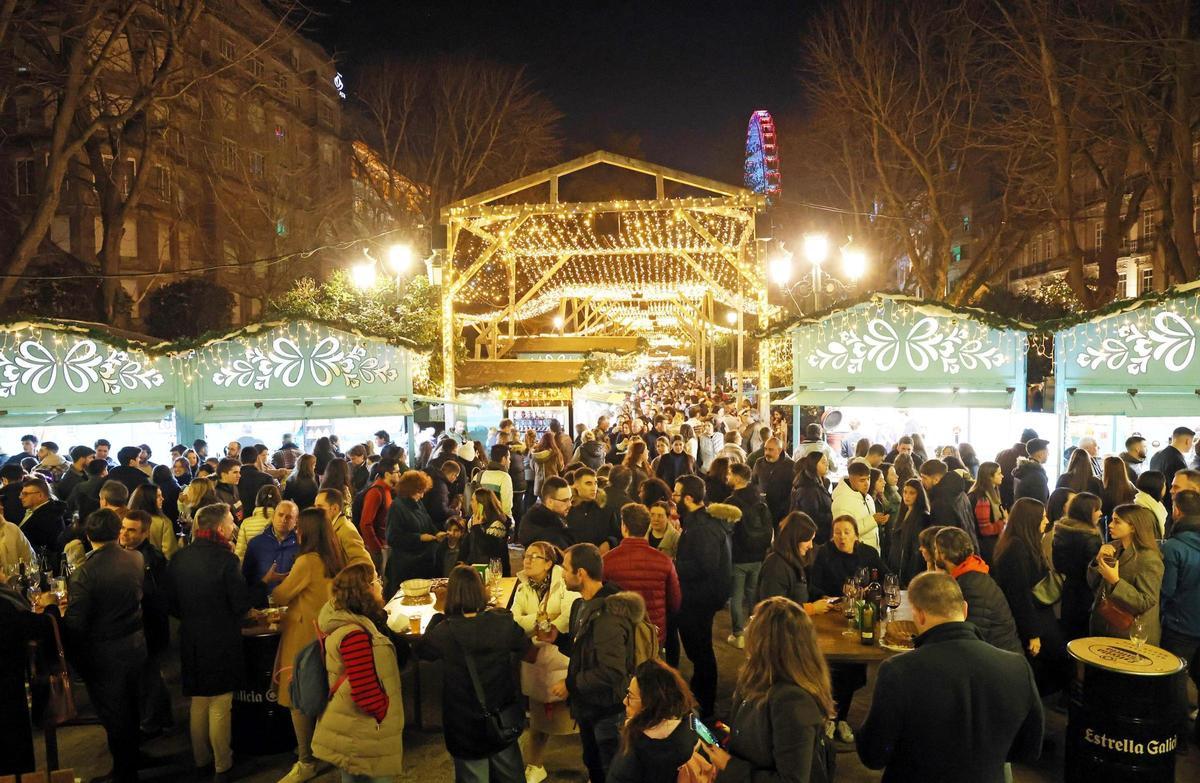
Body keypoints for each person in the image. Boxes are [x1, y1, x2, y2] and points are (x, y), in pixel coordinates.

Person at [855, 571, 1043, 781]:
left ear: (919, 615)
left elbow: (874, 755)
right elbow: (1029, 750)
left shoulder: (898, 670)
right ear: (964, 609)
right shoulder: (1017, 666)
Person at [417, 565, 530, 780]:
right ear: (481, 591)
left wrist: (439, 614)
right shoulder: (501, 622)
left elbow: (423, 652)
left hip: (464, 725)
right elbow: (523, 644)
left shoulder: (445, 632)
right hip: (501, 718)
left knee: (472, 776)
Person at [705, 597, 835, 783]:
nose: (748, 628)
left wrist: (729, 766)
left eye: (753, 621)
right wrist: (734, 733)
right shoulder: (757, 677)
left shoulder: (793, 702)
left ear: (768, 642)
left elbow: (793, 780)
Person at [166, 502, 250, 783]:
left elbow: (172, 603)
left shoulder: (180, 558)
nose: (233, 527)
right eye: (230, 522)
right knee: (220, 703)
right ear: (219, 527)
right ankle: (223, 764)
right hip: (221, 636)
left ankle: (200, 759)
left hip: (190, 635)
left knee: (199, 701)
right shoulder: (227, 560)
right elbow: (239, 604)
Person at [61, 509, 147, 783]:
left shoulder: (85, 573)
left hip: (104, 653)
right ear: (117, 530)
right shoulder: (135, 557)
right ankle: (133, 759)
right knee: (131, 708)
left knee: (114, 715)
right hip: (135, 644)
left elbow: (76, 624)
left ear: (88, 535)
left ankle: (124, 772)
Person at [544, 544, 640, 783]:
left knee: (610, 769)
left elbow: (612, 670)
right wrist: (559, 639)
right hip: (588, 705)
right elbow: (583, 649)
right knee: (592, 761)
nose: (562, 574)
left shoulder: (609, 614)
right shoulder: (580, 605)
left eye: (566, 569)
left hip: (607, 710)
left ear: (581, 573)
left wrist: (571, 684)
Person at [311, 563, 406, 783]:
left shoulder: (356, 622)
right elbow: (364, 690)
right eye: (376, 581)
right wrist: (383, 712)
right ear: (364, 590)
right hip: (362, 730)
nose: (380, 585)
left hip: (352, 726)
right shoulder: (354, 634)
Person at [274, 507, 346, 783]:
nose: (295, 530)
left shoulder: (307, 561)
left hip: (303, 637)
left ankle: (306, 759)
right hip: (326, 635)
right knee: (322, 695)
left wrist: (272, 583)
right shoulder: (333, 557)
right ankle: (322, 749)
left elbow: (282, 595)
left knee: (299, 698)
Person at [511, 541, 579, 783]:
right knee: (539, 718)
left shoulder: (565, 584)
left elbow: (568, 619)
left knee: (573, 717)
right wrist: (543, 619)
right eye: (526, 556)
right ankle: (535, 764)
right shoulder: (522, 586)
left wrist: (545, 629)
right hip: (536, 663)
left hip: (562, 659)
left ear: (549, 563)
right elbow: (515, 621)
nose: (526, 560)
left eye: (534, 557)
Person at [671, 474, 731, 720]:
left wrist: (673, 565)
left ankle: (706, 703)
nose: (672, 499)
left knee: (701, 651)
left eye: (676, 494)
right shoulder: (699, 522)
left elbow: (705, 566)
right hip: (700, 597)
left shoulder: (702, 528)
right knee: (699, 650)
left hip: (700, 600)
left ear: (688, 498)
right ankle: (700, 693)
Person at [993, 498, 1066, 695]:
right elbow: (1019, 595)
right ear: (1029, 521)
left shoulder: (1021, 542)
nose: (1046, 521)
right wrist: (1032, 634)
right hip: (1032, 618)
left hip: (1038, 614)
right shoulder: (1017, 549)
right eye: (1042, 517)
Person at [606, 659, 699, 783]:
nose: (624, 701)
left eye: (630, 696)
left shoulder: (635, 750)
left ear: (649, 704)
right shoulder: (690, 718)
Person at [933, 527, 1022, 654]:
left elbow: (972, 636)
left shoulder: (971, 585)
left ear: (943, 554)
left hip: (1000, 660)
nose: (934, 553)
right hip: (997, 654)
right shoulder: (969, 574)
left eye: (936, 549)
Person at [603, 502, 681, 641]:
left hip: (619, 631)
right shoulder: (664, 560)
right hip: (653, 632)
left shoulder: (607, 560)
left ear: (624, 527)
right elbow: (675, 601)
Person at [1088, 504, 1164, 645]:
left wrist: (1116, 582)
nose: (1110, 525)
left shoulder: (1149, 559)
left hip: (1130, 635)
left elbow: (1146, 601)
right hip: (1104, 625)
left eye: (1117, 521)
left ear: (1133, 527)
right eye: (1112, 520)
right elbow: (1093, 583)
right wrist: (1097, 561)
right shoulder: (1114, 547)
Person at [1160, 490, 1200, 748]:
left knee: (1175, 684)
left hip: (1180, 625)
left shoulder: (1174, 547)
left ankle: (1179, 738)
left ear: (1176, 511)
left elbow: (1167, 590)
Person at [724, 462, 774, 648]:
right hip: (759, 554)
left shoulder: (731, 502)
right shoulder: (759, 497)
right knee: (753, 593)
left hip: (739, 556)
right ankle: (754, 630)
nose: (727, 477)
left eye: (729, 474)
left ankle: (738, 634)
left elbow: (726, 530)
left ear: (737, 478)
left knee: (736, 596)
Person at [757, 512, 833, 619]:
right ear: (796, 538)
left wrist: (821, 597)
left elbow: (800, 589)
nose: (811, 546)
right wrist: (812, 608)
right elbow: (773, 609)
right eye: (808, 540)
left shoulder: (794, 560)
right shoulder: (775, 566)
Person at [1050, 492, 1103, 643]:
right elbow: (1094, 573)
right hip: (1086, 594)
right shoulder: (1091, 537)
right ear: (1087, 512)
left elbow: (1058, 564)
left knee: (1070, 637)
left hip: (1067, 591)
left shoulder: (1061, 530)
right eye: (1097, 509)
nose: (1100, 512)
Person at [384, 470, 443, 593]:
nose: (422, 496)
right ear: (409, 490)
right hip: (406, 567)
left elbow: (428, 522)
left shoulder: (417, 502)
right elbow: (392, 537)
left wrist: (436, 533)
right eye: (419, 492)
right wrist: (419, 538)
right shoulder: (396, 507)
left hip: (422, 563)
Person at [809, 515, 888, 599]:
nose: (842, 537)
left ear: (856, 536)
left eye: (847, 532)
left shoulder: (869, 553)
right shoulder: (824, 553)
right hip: (833, 607)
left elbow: (887, 578)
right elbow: (813, 586)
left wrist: (871, 590)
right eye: (837, 533)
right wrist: (823, 597)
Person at [241, 498, 299, 608]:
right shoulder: (256, 543)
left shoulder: (300, 545)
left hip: (291, 605)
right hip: (261, 605)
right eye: (280, 515)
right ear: (273, 517)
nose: (283, 519)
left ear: (296, 521)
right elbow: (246, 578)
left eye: (289, 517)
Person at [919, 459, 979, 551]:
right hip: (968, 547)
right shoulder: (960, 492)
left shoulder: (941, 502)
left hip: (954, 554)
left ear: (936, 479)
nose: (922, 481)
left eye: (924, 478)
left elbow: (944, 537)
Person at [315, 488, 375, 574]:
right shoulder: (328, 526)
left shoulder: (347, 530)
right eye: (315, 506)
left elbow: (364, 564)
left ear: (335, 508)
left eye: (320, 507)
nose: (315, 511)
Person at [357, 456, 400, 575]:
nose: (399, 475)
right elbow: (365, 523)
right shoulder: (376, 492)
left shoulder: (386, 490)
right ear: (387, 474)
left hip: (384, 544)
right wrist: (377, 548)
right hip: (379, 548)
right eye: (397, 472)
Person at [566, 466, 621, 552]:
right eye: (588, 483)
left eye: (595, 483)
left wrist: (609, 543)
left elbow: (617, 536)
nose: (593, 488)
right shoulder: (567, 509)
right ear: (576, 485)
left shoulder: (606, 509)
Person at [889, 478, 932, 585]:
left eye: (912, 493)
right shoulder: (904, 512)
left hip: (911, 569)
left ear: (919, 495)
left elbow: (917, 550)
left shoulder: (922, 516)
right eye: (905, 492)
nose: (907, 496)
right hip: (898, 565)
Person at [831, 460, 881, 553]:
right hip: (855, 555)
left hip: (872, 552)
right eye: (862, 480)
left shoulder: (868, 497)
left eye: (868, 479)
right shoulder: (842, 502)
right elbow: (844, 533)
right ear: (851, 479)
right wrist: (873, 520)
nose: (867, 484)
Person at [460, 487, 511, 576]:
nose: (470, 503)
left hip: (493, 571)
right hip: (474, 570)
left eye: (472, 500)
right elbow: (467, 544)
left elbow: (490, 548)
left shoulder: (497, 524)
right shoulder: (473, 520)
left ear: (481, 504)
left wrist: (476, 528)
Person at [519, 476, 575, 551]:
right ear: (550, 502)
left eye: (571, 499)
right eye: (565, 500)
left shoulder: (556, 520)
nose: (570, 504)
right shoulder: (549, 533)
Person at [1151, 426, 1195, 516]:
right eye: (1192, 441)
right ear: (1188, 441)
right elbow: (1179, 489)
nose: (1192, 445)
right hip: (1171, 509)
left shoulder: (1156, 455)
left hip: (1157, 506)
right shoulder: (1178, 460)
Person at [967, 461, 1007, 563]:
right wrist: (1004, 521)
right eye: (998, 473)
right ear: (989, 476)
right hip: (986, 546)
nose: (1002, 476)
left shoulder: (990, 492)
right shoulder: (983, 498)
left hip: (988, 543)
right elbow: (986, 529)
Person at [790, 451, 833, 543]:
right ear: (814, 465)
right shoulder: (808, 488)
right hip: (813, 537)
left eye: (827, 461)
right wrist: (832, 515)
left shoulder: (820, 483)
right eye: (823, 462)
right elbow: (812, 516)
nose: (827, 464)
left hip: (821, 533)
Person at [129, 482, 179, 560]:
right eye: (158, 496)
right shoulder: (163, 522)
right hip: (154, 566)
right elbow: (170, 553)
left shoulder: (126, 519)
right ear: (149, 499)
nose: (162, 498)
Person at [17, 476, 66, 555]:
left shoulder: (48, 517)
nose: (20, 497)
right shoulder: (43, 511)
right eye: (21, 493)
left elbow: (44, 549)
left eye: (25, 494)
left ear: (40, 495)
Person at [753, 437, 794, 526]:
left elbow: (793, 490)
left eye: (771, 450)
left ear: (779, 450)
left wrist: (787, 513)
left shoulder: (790, 466)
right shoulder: (759, 463)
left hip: (781, 512)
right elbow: (754, 482)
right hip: (762, 510)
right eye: (765, 449)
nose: (767, 452)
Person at [237, 445, 278, 518]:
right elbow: (273, 500)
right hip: (262, 516)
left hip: (240, 516)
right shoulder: (266, 478)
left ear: (240, 459)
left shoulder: (235, 477)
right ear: (256, 459)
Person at [478, 444, 515, 519]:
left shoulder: (479, 475)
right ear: (504, 459)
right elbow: (506, 507)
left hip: (479, 520)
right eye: (509, 458)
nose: (510, 461)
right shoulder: (504, 477)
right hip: (496, 522)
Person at [1012, 438, 1051, 504]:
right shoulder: (1037, 476)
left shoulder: (1024, 470)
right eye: (1047, 452)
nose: (1048, 454)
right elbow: (1040, 503)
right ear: (1040, 454)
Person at [1134, 470, 1169, 539]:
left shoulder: (1140, 502)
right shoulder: (1146, 511)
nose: (1166, 487)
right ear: (1158, 487)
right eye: (1164, 484)